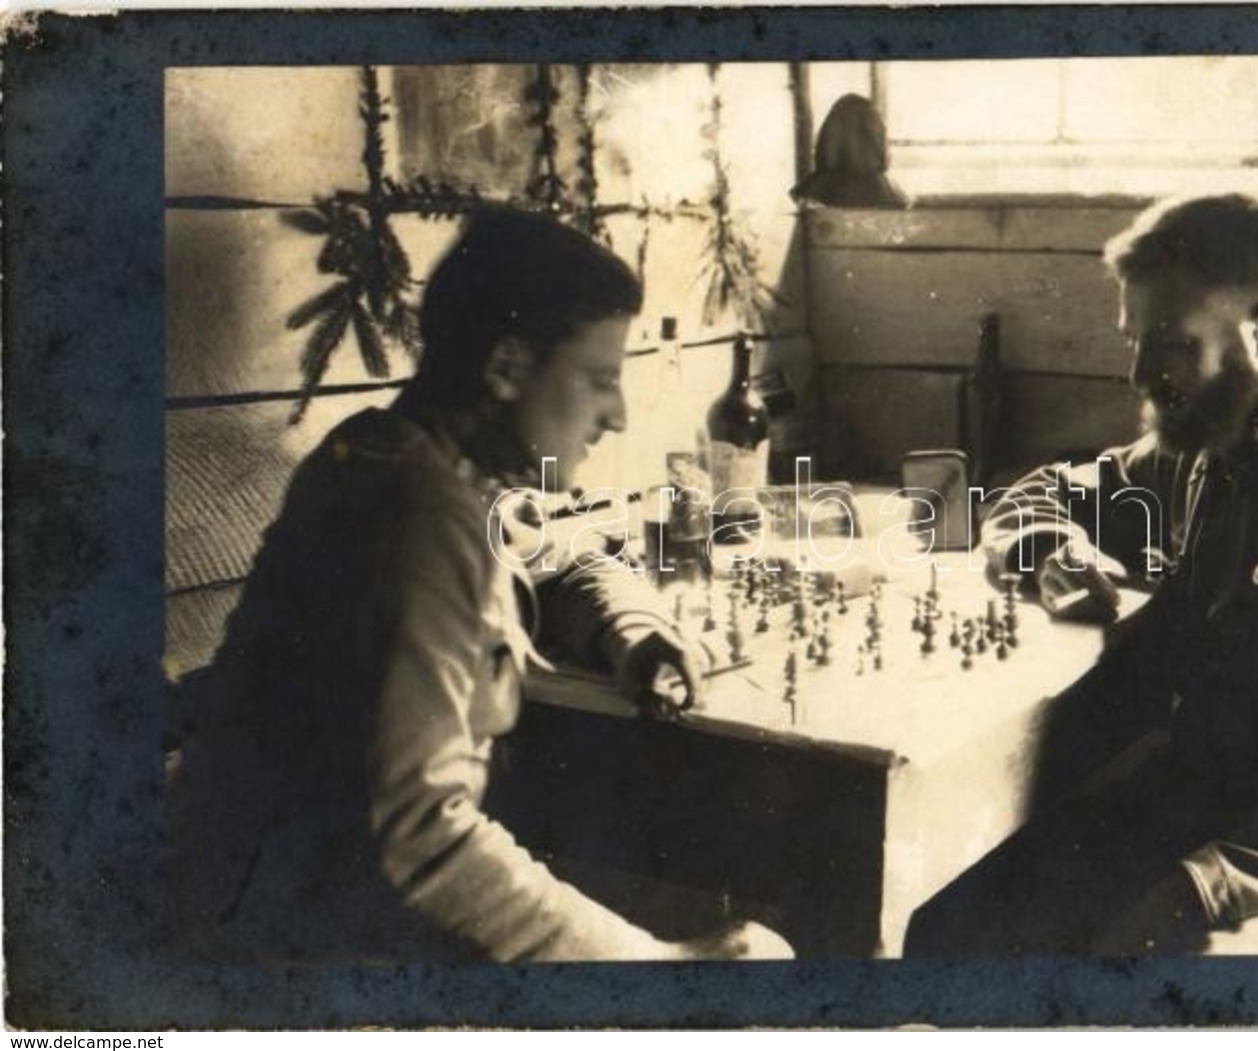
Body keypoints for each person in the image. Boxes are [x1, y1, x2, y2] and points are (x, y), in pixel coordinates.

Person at [167, 209, 794, 963]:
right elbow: (422, 839)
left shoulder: (426, 462)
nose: (618, 415)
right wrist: (662, 965)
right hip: (288, 945)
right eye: (599, 380)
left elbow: (559, 561)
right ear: (505, 367)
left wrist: (630, 631)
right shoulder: (410, 512)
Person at [907, 194, 1258, 956]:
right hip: (1188, 813)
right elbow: (1038, 492)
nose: (1138, 374)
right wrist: (1045, 548)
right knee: (944, 923)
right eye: (1133, 340)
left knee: (1159, 972)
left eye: (1167, 342)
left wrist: (1198, 890)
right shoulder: (1202, 443)